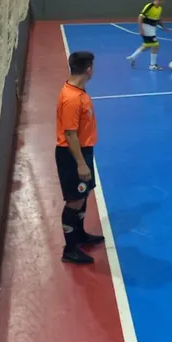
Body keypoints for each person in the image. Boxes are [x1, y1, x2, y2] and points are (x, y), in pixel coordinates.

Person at [56, 51, 103, 264]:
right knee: (74, 200)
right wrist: (81, 164)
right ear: (89, 69)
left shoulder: (78, 90)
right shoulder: (72, 98)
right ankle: (70, 249)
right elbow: (69, 133)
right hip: (72, 155)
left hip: (83, 150)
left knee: (83, 195)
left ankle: (80, 234)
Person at [126, 0, 170, 70]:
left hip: (152, 29)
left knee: (148, 45)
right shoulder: (149, 6)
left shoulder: (160, 8)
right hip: (146, 27)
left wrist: (164, 27)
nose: (163, 2)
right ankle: (152, 65)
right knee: (156, 45)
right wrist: (141, 29)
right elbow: (140, 17)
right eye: (163, 0)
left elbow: (158, 19)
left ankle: (133, 57)